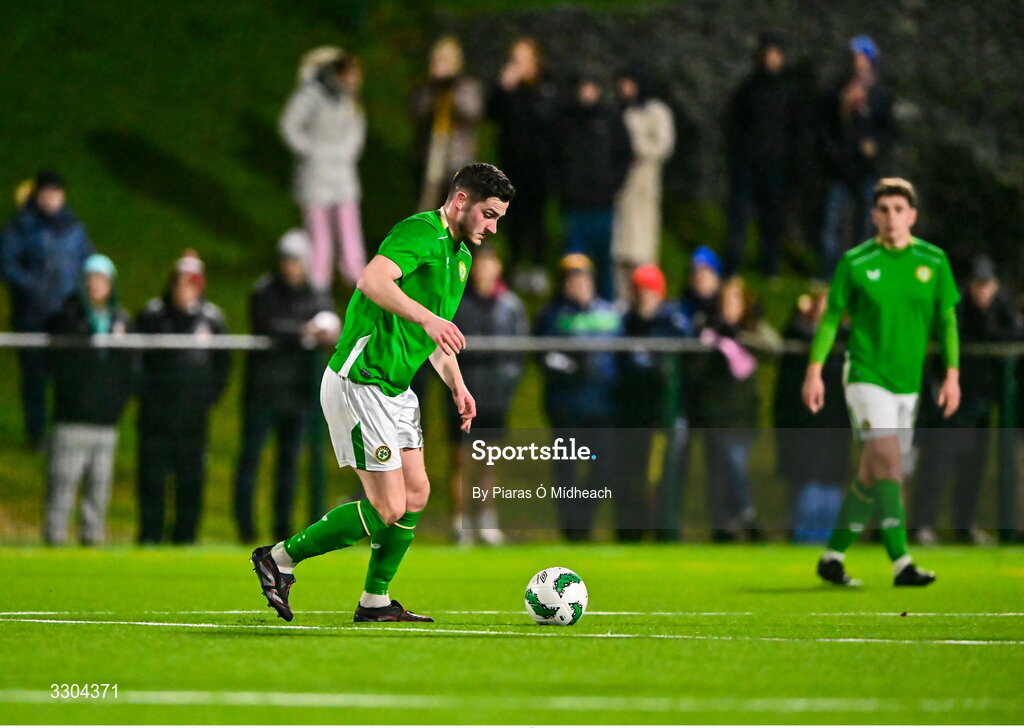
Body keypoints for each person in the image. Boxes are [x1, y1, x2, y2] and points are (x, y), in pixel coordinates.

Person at [249, 163, 515, 623]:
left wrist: (458, 384)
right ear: (460, 202)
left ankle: (375, 601)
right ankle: (279, 558)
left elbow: (436, 336)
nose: (492, 227)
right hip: (361, 379)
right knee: (388, 506)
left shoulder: (462, 256)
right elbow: (371, 281)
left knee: (415, 495)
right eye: (489, 215)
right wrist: (428, 318)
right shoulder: (420, 231)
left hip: (396, 388)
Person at [802, 178, 959, 587]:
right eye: (884, 209)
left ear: (913, 215)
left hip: (908, 382)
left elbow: (947, 321)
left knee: (874, 471)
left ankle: (832, 556)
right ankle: (902, 563)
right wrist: (814, 370)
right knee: (890, 461)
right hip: (866, 375)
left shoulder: (934, 261)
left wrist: (953, 375)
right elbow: (832, 318)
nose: (892, 217)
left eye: (899, 209)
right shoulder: (855, 262)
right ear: (873, 215)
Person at [233, 230, 338, 543]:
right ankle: (245, 529)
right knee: (250, 459)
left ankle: (283, 528)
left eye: (295, 261)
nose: (290, 267)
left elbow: (331, 324)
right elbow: (267, 324)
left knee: (289, 465)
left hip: (299, 392)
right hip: (263, 391)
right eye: (286, 261)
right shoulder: (265, 291)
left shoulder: (315, 293)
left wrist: (326, 332)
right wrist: (305, 331)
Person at [912, 255, 1020, 545]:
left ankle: (965, 525)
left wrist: (990, 329)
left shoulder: (1001, 306)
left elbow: (1013, 334)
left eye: (987, 285)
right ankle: (922, 524)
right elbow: (956, 337)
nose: (982, 291)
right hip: (950, 401)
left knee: (974, 466)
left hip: (982, 403)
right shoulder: (957, 305)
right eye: (977, 284)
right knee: (938, 462)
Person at [136, 250, 231, 544]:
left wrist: (208, 397)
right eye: (180, 283)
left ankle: (185, 537)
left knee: (190, 478)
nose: (185, 290)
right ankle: (150, 535)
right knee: (152, 476)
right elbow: (136, 359)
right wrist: (145, 393)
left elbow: (223, 365)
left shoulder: (211, 319)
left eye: (192, 283)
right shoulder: (153, 315)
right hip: (156, 413)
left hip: (193, 415)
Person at [44, 254, 134, 545]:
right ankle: (54, 538)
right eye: (91, 279)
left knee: (99, 488)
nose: (96, 285)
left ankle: (92, 541)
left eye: (102, 279)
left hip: (105, 421)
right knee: (63, 484)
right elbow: (55, 365)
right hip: (72, 418)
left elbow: (129, 369)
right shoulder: (66, 317)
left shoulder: (121, 320)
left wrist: (117, 403)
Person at [1, 171, 93, 449]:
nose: (51, 199)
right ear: (37, 195)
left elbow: (87, 261)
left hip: (65, 316)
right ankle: (37, 434)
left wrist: (81, 294)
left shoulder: (74, 228)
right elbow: (7, 264)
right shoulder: (20, 227)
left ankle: (64, 433)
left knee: (66, 377)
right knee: (35, 378)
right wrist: (32, 286)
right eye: (46, 193)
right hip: (32, 315)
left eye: (56, 194)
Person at [535, 253, 621, 541]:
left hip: (602, 406)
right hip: (566, 406)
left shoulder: (608, 313)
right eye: (572, 279)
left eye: (583, 278)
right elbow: (545, 356)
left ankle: (584, 519)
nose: (578, 284)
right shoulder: (553, 315)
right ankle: (571, 528)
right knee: (566, 471)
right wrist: (573, 367)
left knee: (603, 467)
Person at [448, 245, 528, 546]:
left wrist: (506, 385)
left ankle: (486, 519)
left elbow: (519, 353)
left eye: (490, 264)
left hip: (495, 396)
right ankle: (461, 522)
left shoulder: (510, 306)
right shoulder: (457, 303)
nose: (484, 270)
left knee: (489, 460)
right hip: (462, 394)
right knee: (460, 460)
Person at [688, 277, 777, 541]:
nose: (729, 306)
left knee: (734, 464)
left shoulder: (749, 331)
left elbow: (774, 346)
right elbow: (696, 369)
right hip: (715, 414)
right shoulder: (709, 330)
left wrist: (747, 331)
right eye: (725, 301)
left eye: (735, 301)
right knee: (719, 471)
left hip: (742, 415)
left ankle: (745, 515)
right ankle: (724, 525)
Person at [610, 265, 687, 541]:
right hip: (631, 414)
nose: (644, 296)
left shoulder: (672, 322)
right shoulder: (625, 322)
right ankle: (631, 530)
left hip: (663, 413)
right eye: (639, 290)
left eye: (649, 290)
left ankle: (664, 530)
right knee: (631, 476)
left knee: (664, 477)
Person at [280, 49, 367, 290]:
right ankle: (319, 283)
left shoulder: (349, 101)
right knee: (319, 234)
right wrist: (311, 151)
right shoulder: (309, 96)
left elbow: (356, 131)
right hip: (315, 177)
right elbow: (290, 126)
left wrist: (345, 153)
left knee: (349, 230)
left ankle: (357, 279)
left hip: (342, 175)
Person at [773, 287, 850, 542]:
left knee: (830, 494)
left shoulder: (847, 341)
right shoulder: (797, 340)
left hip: (835, 429)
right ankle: (803, 538)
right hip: (805, 428)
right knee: (807, 491)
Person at [723, 32, 800, 279]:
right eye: (768, 53)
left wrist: (789, 158)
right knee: (739, 216)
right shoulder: (749, 87)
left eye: (775, 53)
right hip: (747, 162)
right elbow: (733, 123)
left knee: (772, 218)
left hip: (775, 164)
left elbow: (795, 127)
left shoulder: (789, 89)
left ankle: (770, 265)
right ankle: (733, 263)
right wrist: (738, 152)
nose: (771, 58)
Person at [818, 35, 896, 277]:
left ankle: (859, 272)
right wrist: (833, 151)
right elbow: (825, 126)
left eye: (862, 57)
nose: (857, 62)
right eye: (855, 57)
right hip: (839, 168)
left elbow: (890, 130)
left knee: (864, 227)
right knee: (831, 225)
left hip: (865, 170)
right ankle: (827, 273)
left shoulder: (880, 96)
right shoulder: (837, 90)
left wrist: (876, 145)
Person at [487, 37, 559, 292]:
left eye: (523, 59)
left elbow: (549, 122)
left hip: (539, 168)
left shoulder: (547, 88)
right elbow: (492, 113)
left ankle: (538, 265)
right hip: (512, 166)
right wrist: (504, 87)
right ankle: (516, 265)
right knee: (512, 217)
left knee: (537, 218)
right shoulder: (509, 89)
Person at [555, 74, 632, 301]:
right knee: (573, 263)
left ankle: (606, 307)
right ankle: (571, 305)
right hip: (574, 206)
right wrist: (564, 188)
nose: (586, 92)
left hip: (603, 205)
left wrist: (613, 187)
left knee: (605, 262)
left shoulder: (610, 118)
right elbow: (555, 156)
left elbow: (624, 155)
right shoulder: (566, 119)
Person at [611, 66, 675, 299]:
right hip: (621, 185)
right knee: (620, 250)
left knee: (643, 249)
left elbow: (663, 145)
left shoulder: (657, 111)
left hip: (645, 184)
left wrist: (637, 148)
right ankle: (623, 300)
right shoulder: (619, 111)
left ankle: (647, 297)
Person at [412, 37, 485, 211]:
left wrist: (451, 89)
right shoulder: (427, 88)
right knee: (429, 207)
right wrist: (434, 87)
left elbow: (473, 112)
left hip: (459, 157)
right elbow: (418, 111)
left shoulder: (466, 86)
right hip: (432, 155)